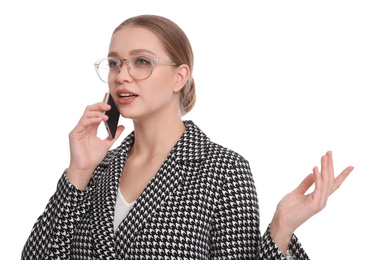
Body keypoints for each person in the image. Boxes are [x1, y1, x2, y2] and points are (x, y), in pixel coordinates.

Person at [22, 15, 353, 259]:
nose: (122, 75)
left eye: (140, 62)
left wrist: (280, 229)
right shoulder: (97, 169)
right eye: (114, 63)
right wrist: (78, 171)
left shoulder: (223, 170)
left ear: (179, 77)